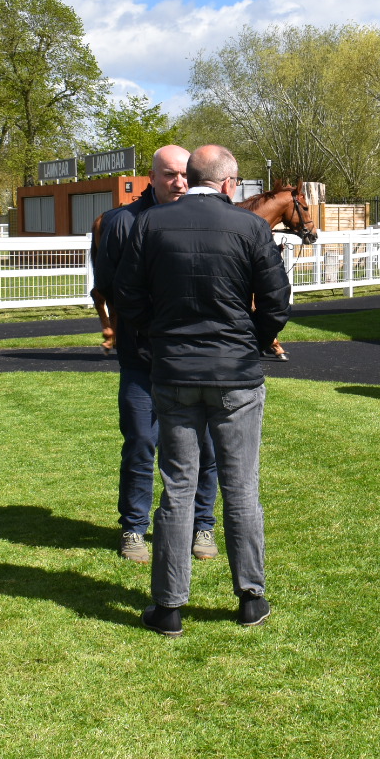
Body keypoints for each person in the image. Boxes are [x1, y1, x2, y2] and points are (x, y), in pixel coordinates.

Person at [114, 144, 290, 635]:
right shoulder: (251, 227)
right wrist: (249, 342)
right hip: (235, 376)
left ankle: (169, 606)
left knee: (178, 487)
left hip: (174, 374)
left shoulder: (151, 224)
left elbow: (127, 295)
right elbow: (276, 300)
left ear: (188, 177)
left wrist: (161, 337)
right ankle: (250, 597)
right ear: (231, 184)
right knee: (241, 487)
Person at [91, 144, 221, 565]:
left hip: (193, 358)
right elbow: (112, 290)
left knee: (204, 446)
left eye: (185, 174)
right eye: (169, 175)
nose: (179, 183)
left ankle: (203, 525)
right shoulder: (119, 223)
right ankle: (133, 529)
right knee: (141, 442)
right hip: (142, 358)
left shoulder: (202, 220)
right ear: (152, 177)